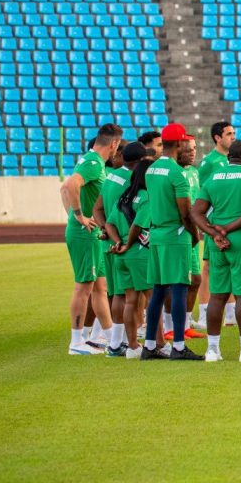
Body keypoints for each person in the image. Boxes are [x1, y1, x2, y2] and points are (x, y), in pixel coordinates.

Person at [190, 140, 241, 362]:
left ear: (228, 158)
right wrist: (228, 229)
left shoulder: (214, 178)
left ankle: (212, 350)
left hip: (216, 244)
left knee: (218, 296)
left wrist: (214, 233)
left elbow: (196, 213)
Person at [143, 124, 203, 360]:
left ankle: (149, 345)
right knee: (179, 289)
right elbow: (186, 213)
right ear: (179, 144)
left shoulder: (152, 169)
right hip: (175, 235)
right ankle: (178, 346)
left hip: (156, 234)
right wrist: (194, 235)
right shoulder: (177, 173)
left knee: (158, 291)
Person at [60, 123, 121, 355]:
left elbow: (63, 190)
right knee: (83, 286)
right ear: (114, 143)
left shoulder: (91, 162)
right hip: (85, 234)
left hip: (90, 233)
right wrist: (78, 216)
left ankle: (109, 337)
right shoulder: (94, 163)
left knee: (100, 287)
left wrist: (74, 215)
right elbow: (69, 185)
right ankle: (76, 342)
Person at [105, 154, 155, 359]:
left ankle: (132, 346)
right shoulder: (146, 197)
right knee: (153, 299)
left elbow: (108, 224)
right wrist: (127, 244)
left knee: (130, 300)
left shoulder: (123, 197)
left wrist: (117, 241)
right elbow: (138, 225)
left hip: (121, 256)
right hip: (139, 252)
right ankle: (156, 343)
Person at [91, 138, 133, 356]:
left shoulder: (110, 178)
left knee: (117, 293)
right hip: (127, 241)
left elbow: (97, 209)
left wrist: (105, 229)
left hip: (110, 240)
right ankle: (125, 342)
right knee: (132, 294)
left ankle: (116, 342)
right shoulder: (131, 178)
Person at [195, 121, 236, 328]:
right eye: (229, 134)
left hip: (231, 222)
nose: (233, 137)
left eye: (234, 133)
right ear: (217, 138)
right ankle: (203, 314)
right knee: (209, 267)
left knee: (230, 264)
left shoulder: (232, 161)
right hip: (213, 223)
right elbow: (199, 192)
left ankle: (230, 314)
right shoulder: (209, 162)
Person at [172, 136, 206, 341]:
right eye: (188, 149)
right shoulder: (173, 173)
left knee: (195, 280)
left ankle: (184, 325)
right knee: (175, 282)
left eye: (195, 148)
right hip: (178, 233)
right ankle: (169, 326)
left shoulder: (194, 172)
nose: (193, 152)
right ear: (178, 150)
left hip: (192, 232)